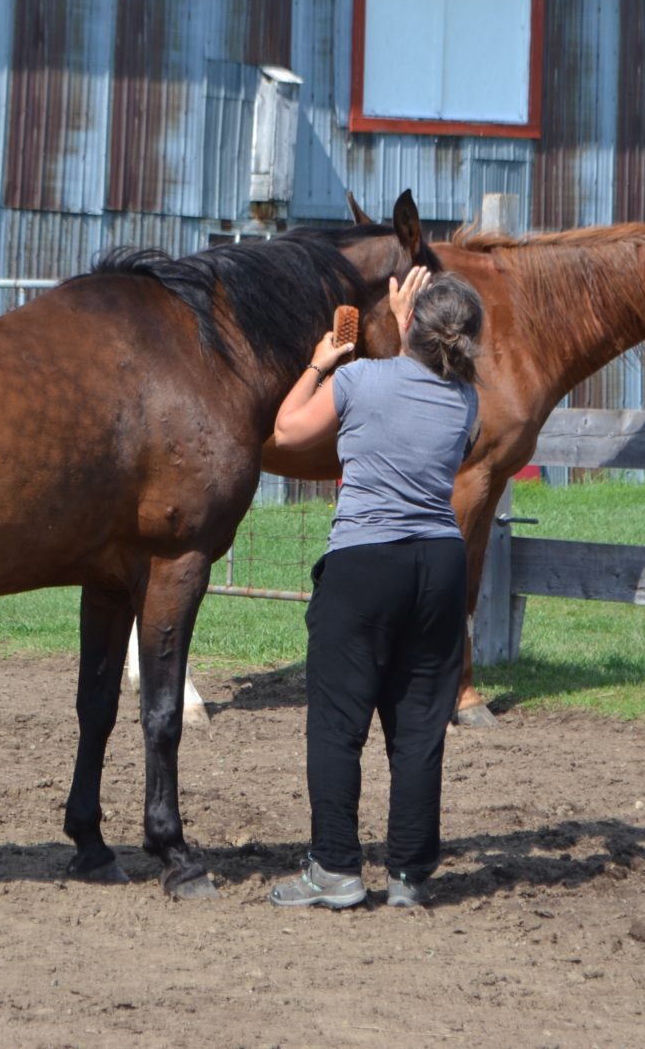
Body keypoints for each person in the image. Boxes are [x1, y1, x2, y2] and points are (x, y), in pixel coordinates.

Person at [267, 267, 483, 910]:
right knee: (419, 727)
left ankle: (335, 868)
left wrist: (318, 363)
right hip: (440, 566)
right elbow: (417, 384)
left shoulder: (358, 378)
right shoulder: (468, 401)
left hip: (364, 562)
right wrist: (404, 324)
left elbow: (286, 431)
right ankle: (410, 877)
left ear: (409, 325)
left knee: (338, 724)